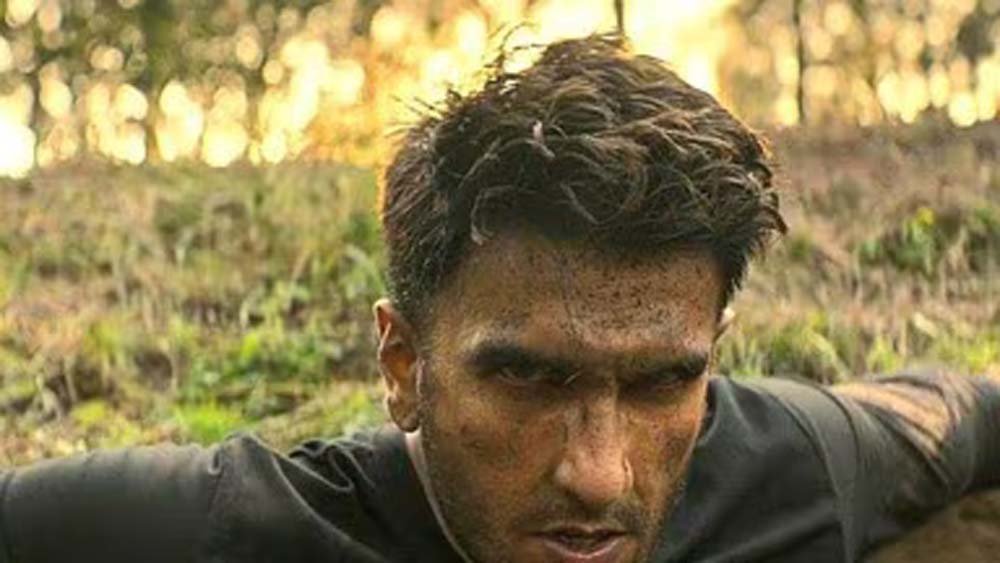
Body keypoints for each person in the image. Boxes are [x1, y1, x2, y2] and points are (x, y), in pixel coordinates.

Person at [1, 35, 998, 563]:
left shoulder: (801, 465)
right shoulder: (231, 528)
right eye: (527, 376)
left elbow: (966, 414)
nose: (599, 477)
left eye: (660, 381)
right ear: (403, 364)